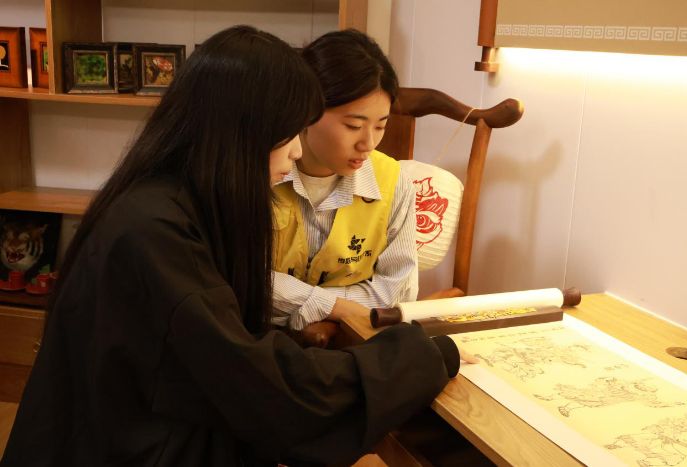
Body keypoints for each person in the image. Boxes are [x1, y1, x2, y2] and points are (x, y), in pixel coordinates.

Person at [0, 26, 471, 467]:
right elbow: (268, 392)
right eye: (288, 133)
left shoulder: (169, 200)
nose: (296, 152)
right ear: (240, 131)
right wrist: (425, 357)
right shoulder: (154, 234)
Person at [272, 29, 418, 333]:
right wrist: (336, 307)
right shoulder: (265, 170)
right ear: (306, 109)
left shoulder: (392, 182)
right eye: (353, 125)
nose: (368, 144)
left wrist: (313, 309)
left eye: (381, 126)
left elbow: (396, 291)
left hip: (351, 338)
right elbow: (242, 279)